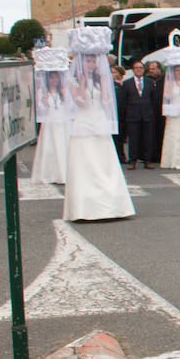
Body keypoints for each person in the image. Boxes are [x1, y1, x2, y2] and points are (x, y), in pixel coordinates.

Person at [63, 28, 135, 221]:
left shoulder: (101, 80)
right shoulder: (72, 79)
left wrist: (103, 83)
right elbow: (79, 101)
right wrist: (84, 82)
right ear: (80, 61)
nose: (92, 63)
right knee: (85, 162)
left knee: (104, 161)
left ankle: (112, 204)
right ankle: (85, 207)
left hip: (99, 122)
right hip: (83, 123)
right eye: (88, 60)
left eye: (94, 60)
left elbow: (106, 102)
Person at [31, 48, 74, 185]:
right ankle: (49, 173)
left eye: (56, 77)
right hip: (50, 123)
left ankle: (65, 172)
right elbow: (41, 109)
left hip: (63, 122)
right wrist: (43, 98)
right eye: (51, 77)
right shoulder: (42, 92)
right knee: (49, 148)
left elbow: (70, 107)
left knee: (64, 146)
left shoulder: (64, 92)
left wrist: (65, 93)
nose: (54, 80)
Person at [121, 59, 158, 169]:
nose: (139, 70)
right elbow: (124, 100)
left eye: (141, 68)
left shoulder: (149, 82)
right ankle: (132, 161)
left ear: (144, 70)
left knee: (148, 139)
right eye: (136, 68)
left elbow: (153, 99)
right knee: (133, 139)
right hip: (133, 115)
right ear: (133, 70)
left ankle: (147, 160)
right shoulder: (127, 83)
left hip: (147, 114)